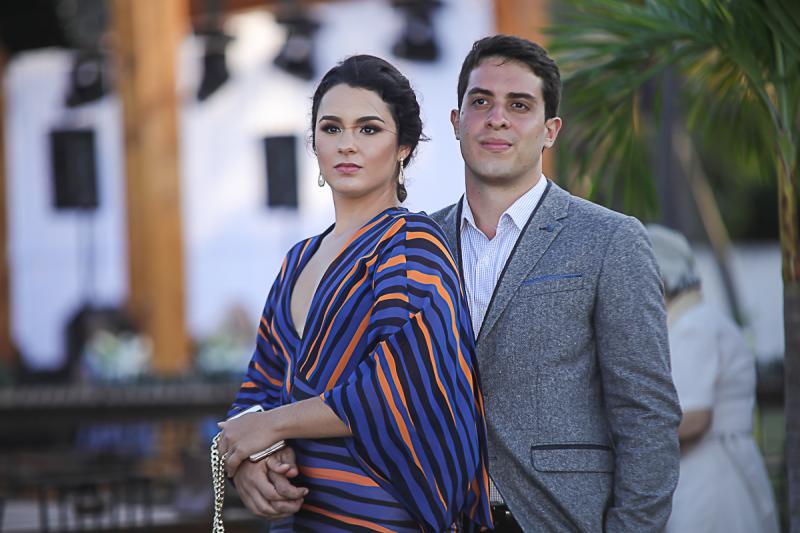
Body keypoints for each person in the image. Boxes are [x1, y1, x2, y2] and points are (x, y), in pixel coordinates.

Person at [215, 54, 493, 532]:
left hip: (377, 513)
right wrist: (250, 464)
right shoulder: (298, 259)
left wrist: (271, 426)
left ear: (403, 146)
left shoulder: (409, 245)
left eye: (368, 129)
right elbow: (260, 385)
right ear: (315, 143)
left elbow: (398, 387)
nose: (347, 144)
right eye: (331, 128)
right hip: (294, 516)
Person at [429, 35, 682, 531]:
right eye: (481, 102)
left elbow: (647, 413)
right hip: (436, 515)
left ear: (550, 131)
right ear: (457, 122)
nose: (497, 118)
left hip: (557, 518)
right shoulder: (417, 244)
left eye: (519, 105)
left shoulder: (610, 240)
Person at [647, 224, 780, 533]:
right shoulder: (697, 320)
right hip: (712, 467)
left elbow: (695, 417)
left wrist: (633, 438)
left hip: (710, 473)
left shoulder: (694, 325)